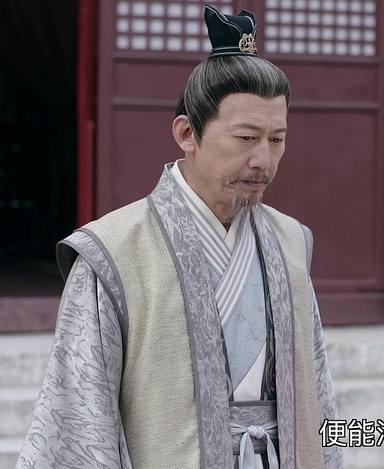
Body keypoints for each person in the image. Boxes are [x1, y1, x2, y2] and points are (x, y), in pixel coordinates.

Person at [17, 5, 342, 469]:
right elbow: (80, 412)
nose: (264, 161)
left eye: (277, 140)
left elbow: (318, 392)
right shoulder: (114, 251)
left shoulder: (290, 241)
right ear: (187, 133)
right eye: (246, 138)